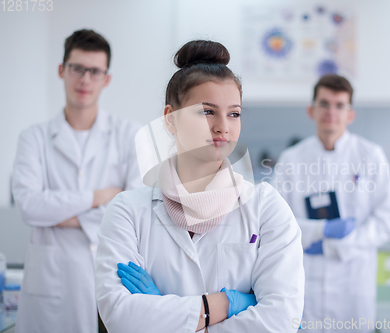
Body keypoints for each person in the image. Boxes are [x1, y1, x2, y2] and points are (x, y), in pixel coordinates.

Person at [94, 40, 305, 333]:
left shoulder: (266, 207)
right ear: (170, 119)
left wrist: (167, 317)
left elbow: (281, 319)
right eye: (207, 111)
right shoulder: (128, 211)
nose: (223, 127)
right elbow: (119, 315)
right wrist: (220, 305)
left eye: (234, 113)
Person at [12, 29, 142, 333]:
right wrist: (100, 196)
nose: (85, 79)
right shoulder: (34, 138)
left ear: (106, 79)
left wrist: (56, 214)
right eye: (77, 68)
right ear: (62, 71)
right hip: (55, 287)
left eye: (95, 71)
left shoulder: (128, 135)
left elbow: (134, 212)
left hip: (115, 278)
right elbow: (30, 207)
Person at [272, 75, 390, 333]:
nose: (331, 111)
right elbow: (275, 220)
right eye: (324, 103)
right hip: (305, 280)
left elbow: (386, 222)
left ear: (350, 114)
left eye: (339, 105)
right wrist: (317, 232)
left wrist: (337, 245)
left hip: (353, 281)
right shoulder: (291, 159)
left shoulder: (370, 155)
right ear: (311, 110)